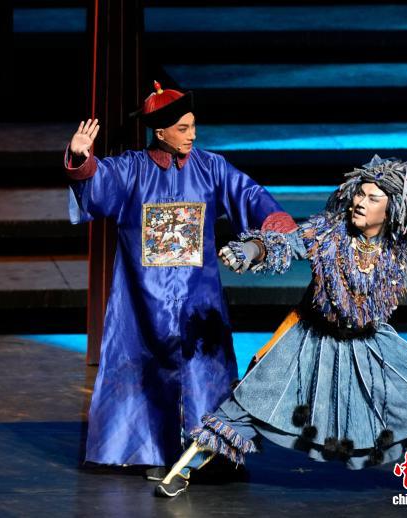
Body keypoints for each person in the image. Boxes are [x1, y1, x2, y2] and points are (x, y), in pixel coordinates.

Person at [155, 155, 407, 497]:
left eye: (373, 198)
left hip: (368, 344)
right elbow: (285, 243)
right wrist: (250, 251)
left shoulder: (399, 241)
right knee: (248, 405)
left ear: (391, 210)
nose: (360, 202)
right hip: (310, 341)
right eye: (360, 193)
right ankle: (182, 471)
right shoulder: (328, 232)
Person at [65, 81, 297, 479]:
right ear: (160, 132)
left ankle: (210, 450)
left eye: (193, 126)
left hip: (197, 297)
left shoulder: (211, 168)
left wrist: (276, 226)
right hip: (143, 298)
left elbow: (248, 194)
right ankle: (145, 450)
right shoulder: (133, 169)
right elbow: (99, 186)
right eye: (183, 128)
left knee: (204, 370)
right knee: (144, 366)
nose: (192, 135)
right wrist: (81, 159)